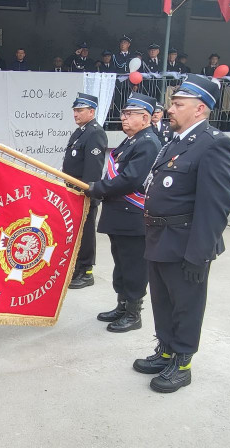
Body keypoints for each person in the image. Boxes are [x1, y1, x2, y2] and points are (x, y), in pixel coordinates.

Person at [136, 74, 230, 394]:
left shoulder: (214, 143)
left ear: (200, 109)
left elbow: (216, 205)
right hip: (159, 238)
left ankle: (183, 361)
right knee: (163, 301)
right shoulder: (175, 140)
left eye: (178, 104)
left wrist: (200, 252)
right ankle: (165, 349)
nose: (170, 109)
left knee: (186, 303)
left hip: (186, 242)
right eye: (172, 103)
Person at [87, 93, 161, 333]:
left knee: (133, 266)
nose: (124, 118)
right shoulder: (131, 140)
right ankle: (121, 306)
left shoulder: (148, 142)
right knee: (121, 263)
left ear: (146, 117)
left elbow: (131, 179)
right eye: (124, 113)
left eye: (130, 114)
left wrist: (97, 188)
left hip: (133, 214)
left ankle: (133, 313)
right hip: (119, 213)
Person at [64, 93, 108, 290]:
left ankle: (86, 271)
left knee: (86, 231)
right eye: (74, 110)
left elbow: (92, 170)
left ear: (91, 111)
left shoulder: (95, 133)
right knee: (77, 232)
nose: (75, 114)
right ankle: (78, 266)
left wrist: (87, 194)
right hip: (73, 192)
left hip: (84, 194)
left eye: (80, 110)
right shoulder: (80, 131)